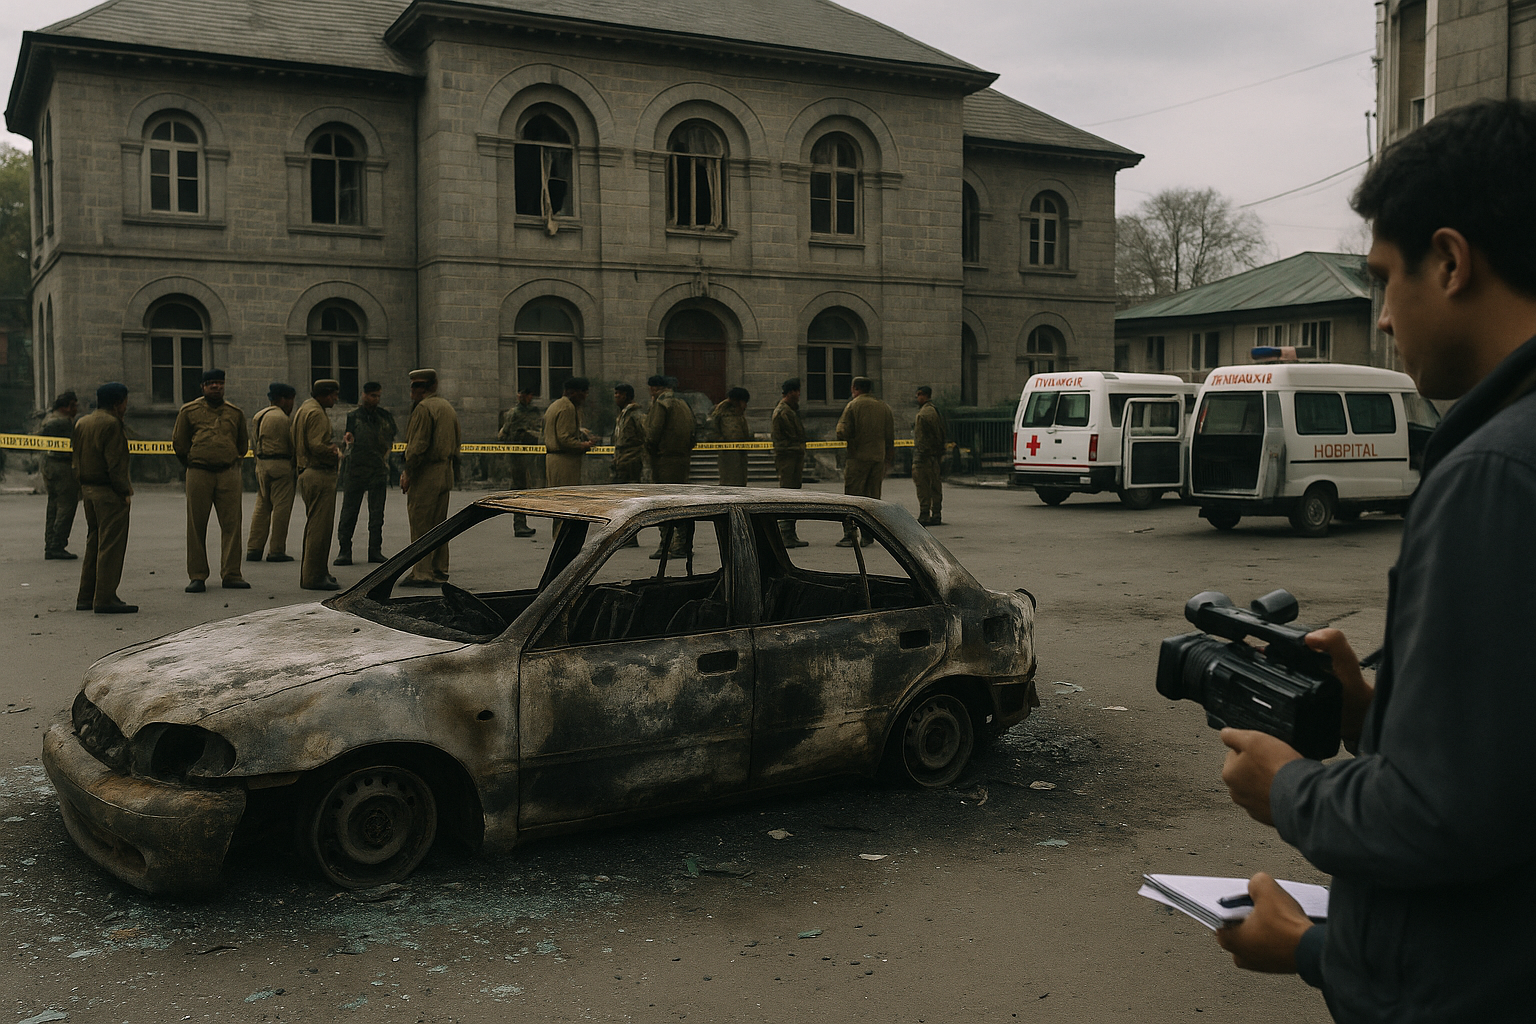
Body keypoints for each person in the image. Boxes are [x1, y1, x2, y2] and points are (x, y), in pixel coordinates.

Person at [1213, 99, 1536, 1023]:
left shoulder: (1494, 470)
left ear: (1452, 259)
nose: (1385, 318)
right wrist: (1374, 712)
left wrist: (1291, 792)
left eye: (1386, 280)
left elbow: (1450, 818)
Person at [172, 368, 249, 593]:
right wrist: (195, 460)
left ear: (224, 385)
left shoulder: (235, 413)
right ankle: (197, 575)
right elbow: (179, 443)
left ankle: (232, 573)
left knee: (232, 524)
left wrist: (230, 459)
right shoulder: (189, 411)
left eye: (219, 383)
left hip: (228, 473)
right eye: (210, 383)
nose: (215, 387)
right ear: (202, 387)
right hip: (198, 472)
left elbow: (242, 445)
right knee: (196, 525)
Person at [72, 382, 136, 613]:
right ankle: (105, 597)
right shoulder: (112, 424)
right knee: (111, 546)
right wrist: (124, 492)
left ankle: (86, 596)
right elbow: (116, 464)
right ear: (119, 403)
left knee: (94, 541)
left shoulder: (82, 422)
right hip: (108, 492)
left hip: (88, 489)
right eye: (125, 402)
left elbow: (76, 458)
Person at [400, 368, 460, 587]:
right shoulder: (446, 407)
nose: (415, 391)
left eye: (418, 386)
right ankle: (438, 569)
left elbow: (417, 447)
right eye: (415, 386)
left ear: (429, 387)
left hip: (426, 472)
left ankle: (422, 572)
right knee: (439, 524)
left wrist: (408, 472)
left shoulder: (423, 409)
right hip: (445, 470)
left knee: (421, 523)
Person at [336, 381, 397, 565]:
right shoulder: (353, 417)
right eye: (372, 396)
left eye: (378, 396)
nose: (375, 399)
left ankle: (375, 550)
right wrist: (347, 441)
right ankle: (344, 550)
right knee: (349, 512)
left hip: (378, 469)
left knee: (377, 514)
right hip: (356, 469)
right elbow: (348, 439)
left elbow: (391, 436)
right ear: (363, 395)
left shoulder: (384, 416)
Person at [291, 379, 343, 591]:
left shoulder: (305, 408)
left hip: (306, 470)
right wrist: (333, 450)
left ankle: (320, 571)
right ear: (324, 394)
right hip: (318, 472)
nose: (336, 399)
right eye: (333, 395)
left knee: (317, 526)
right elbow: (315, 444)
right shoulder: (317, 414)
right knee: (319, 529)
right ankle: (313, 576)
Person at [834, 376, 894, 547]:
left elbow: (841, 431)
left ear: (855, 388)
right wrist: (888, 459)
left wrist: (852, 440)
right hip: (878, 459)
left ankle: (850, 535)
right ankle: (869, 535)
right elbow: (890, 437)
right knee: (872, 499)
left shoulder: (853, 406)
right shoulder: (884, 407)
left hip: (858, 459)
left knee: (852, 498)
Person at [644, 374, 696, 558]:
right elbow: (694, 432)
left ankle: (667, 545)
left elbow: (653, 433)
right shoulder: (683, 403)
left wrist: (651, 451)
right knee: (681, 503)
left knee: (664, 505)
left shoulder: (661, 404)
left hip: (664, 460)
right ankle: (684, 543)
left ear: (654, 388)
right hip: (682, 460)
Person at [246, 382, 296, 563]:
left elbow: (254, 442)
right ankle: (276, 549)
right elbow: (292, 444)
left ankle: (254, 548)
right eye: (291, 400)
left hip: (261, 464)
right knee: (281, 508)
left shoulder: (259, 415)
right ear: (283, 399)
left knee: (262, 506)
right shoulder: (282, 418)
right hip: (281, 465)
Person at [38, 390, 80, 559]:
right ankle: (57, 544)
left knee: (53, 505)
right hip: (61, 466)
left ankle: (50, 543)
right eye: (74, 406)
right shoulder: (62, 423)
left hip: (49, 464)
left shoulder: (49, 418)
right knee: (67, 505)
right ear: (67, 406)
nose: (76, 409)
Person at [497, 384, 543, 537]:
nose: (524, 397)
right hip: (517, 456)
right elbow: (504, 433)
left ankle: (521, 523)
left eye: (527, 394)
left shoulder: (533, 412)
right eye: (522, 394)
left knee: (525, 487)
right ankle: (519, 524)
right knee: (519, 488)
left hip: (529, 455)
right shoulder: (513, 413)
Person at [771, 378, 808, 548]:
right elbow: (795, 434)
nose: (799, 395)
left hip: (793, 456)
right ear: (791, 392)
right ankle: (785, 533)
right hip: (788, 457)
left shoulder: (790, 410)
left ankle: (790, 532)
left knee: (793, 493)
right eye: (797, 391)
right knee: (788, 494)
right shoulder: (784, 412)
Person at [544, 376, 593, 491]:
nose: (585, 397)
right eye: (584, 393)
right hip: (565, 462)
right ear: (574, 392)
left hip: (553, 460)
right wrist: (584, 445)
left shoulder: (555, 405)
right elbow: (564, 439)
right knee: (566, 497)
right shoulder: (568, 408)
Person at [912, 385, 946, 526]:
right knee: (935, 485)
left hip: (924, 456)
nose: (917, 398)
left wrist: (921, 453)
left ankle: (924, 513)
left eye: (918, 395)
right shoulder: (934, 410)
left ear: (922, 395)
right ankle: (936, 513)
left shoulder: (923, 414)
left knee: (923, 485)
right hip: (934, 455)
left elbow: (922, 439)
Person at [710, 386, 751, 486]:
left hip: (740, 455)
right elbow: (713, 432)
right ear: (737, 401)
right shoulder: (722, 414)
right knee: (729, 483)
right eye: (744, 402)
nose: (745, 406)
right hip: (728, 455)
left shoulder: (739, 415)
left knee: (740, 483)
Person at [611, 383, 646, 484]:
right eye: (616, 393)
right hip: (621, 461)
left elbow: (644, 436)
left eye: (620, 394)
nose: (616, 396)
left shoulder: (635, 414)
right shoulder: (623, 415)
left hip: (631, 461)